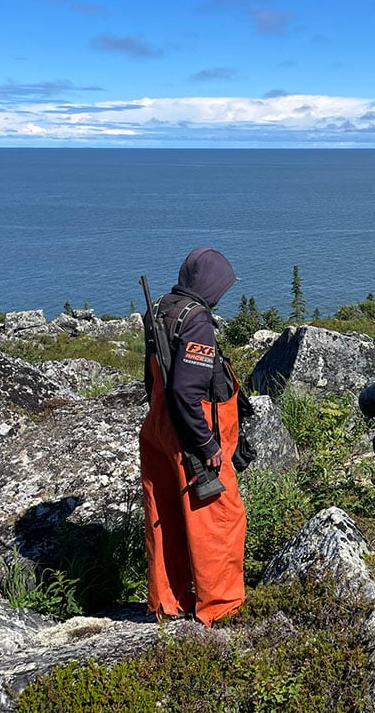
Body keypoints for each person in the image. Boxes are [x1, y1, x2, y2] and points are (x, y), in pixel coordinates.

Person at [140, 247, 246, 625]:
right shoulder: (197, 320)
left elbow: (153, 378)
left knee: (165, 513)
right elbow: (187, 391)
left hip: (159, 425)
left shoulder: (162, 308)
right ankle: (220, 608)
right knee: (220, 518)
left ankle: (168, 601)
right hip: (190, 431)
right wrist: (207, 444)